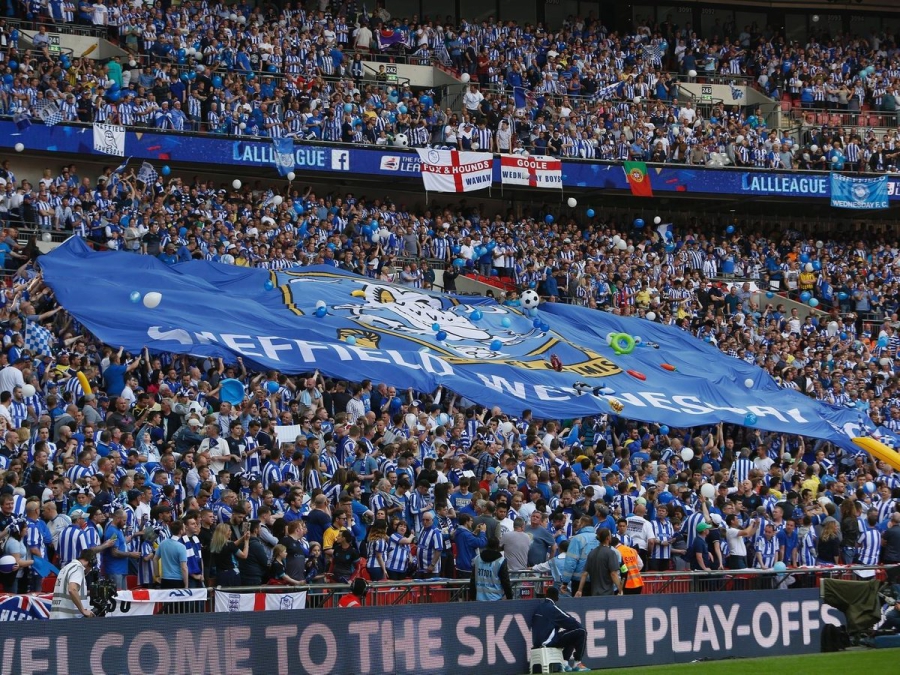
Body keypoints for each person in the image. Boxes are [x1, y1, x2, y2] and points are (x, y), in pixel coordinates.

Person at [531, 586, 590, 672]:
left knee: (571, 634)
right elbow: (570, 621)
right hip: (548, 641)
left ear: (546, 595)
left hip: (537, 642)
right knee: (581, 631)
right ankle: (577, 663)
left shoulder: (538, 607)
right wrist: (579, 626)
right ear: (557, 597)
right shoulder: (552, 608)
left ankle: (564, 663)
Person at [50, 549, 96, 619]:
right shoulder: (78, 569)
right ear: (90, 562)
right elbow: (72, 589)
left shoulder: (66, 568)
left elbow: (68, 590)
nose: (90, 570)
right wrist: (83, 610)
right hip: (67, 619)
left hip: (58, 617)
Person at [575, 527, 621, 597]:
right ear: (608, 538)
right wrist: (620, 590)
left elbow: (584, 573)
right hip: (607, 594)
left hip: (594, 594)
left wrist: (579, 590)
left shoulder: (591, 553)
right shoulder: (611, 553)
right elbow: (613, 574)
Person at [470, 536, 513, 601]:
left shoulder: (478, 559)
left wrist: (472, 597)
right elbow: (505, 581)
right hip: (496, 599)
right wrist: (510, 598)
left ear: (487, 545)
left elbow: (473, 579)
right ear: (497, 546)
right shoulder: (500, 561)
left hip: (479, 599)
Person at [209, 522, 248, 587]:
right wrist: (246, 542)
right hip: (231, 574)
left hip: (220, 574)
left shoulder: (214, 544)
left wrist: (243, 538)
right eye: (229, 530)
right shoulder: (229, 545)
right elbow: (244, 555)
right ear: (224, 533)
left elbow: (232, 545)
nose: (231, 532)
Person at [154, 520, 188, 590]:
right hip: (177, 580)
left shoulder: (163, 543)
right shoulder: (181, 547)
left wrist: (157, 575)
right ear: (181, 531)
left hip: (165, 579)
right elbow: (184, 567)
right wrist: (186, 584)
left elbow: (155, 559)